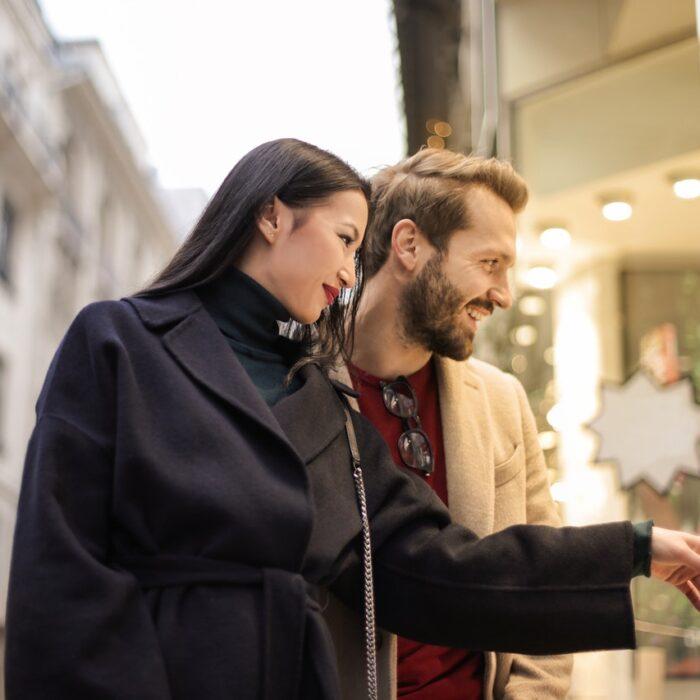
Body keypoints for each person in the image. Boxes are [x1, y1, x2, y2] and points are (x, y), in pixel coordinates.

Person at [5, 139, 700, 700]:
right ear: (272, 216)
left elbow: (444, 566)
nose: (349, 270)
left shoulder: (316, 400)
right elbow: (61, 578)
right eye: (343, 239)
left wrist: (634, 548)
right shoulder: (118, 344)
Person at [322, 148, 572, 699]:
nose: (503, 295)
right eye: (490, 264)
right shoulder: (299, 391)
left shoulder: (503, 401)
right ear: (409, 245)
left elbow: (544, 587)